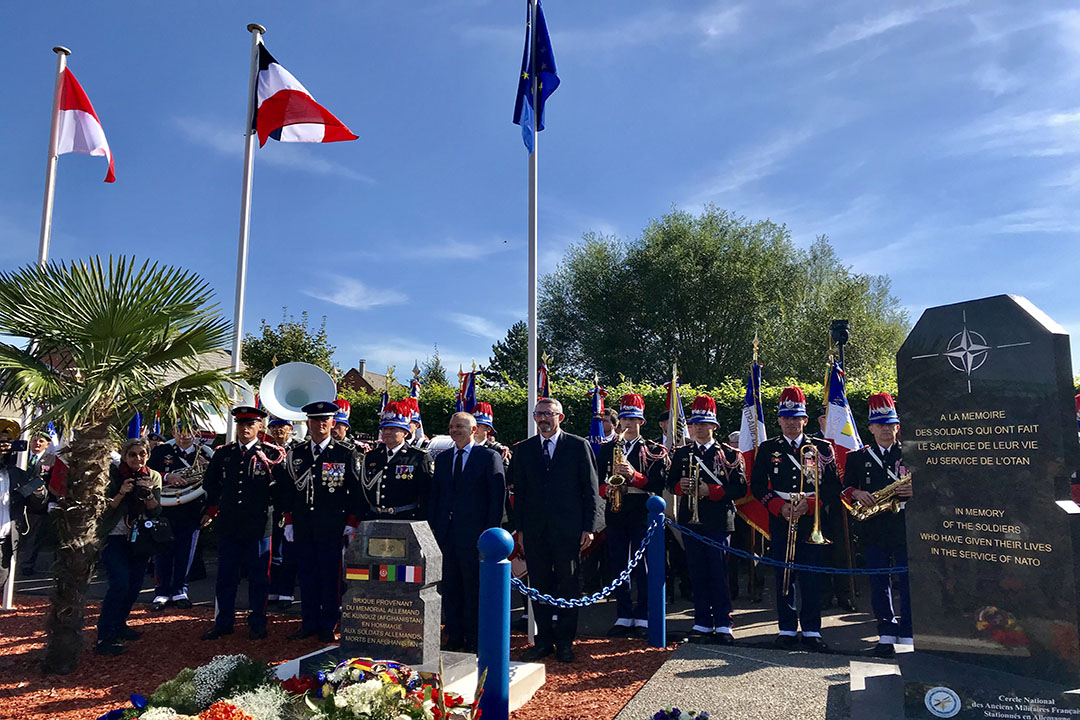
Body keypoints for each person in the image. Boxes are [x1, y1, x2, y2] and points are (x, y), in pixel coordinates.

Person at [511, 397, 602, 663]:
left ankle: (565, 642)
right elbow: (520, 493)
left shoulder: (578, 445)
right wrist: (520, 530)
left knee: (567, 585)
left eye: (548, 414)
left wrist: (589, 527)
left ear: (560, 417)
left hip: (569, 530)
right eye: (539, 414)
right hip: (535, 531)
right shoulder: (524, 449)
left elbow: (590, 490)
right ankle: (543, 641)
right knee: (538, 586)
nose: (543, 419)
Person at [751, 386, 839, 652]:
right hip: (781, 518)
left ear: (805, 420)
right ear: (779, 420)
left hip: (811, 520)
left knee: (811, 575)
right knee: (784, 574)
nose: (791, 423)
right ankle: (787, 628)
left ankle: (812, 629)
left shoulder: (821, 448)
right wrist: (779, 507)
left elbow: (833, 487)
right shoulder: (768, 448)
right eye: (786, 418)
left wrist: (810, 506)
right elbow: (757, 485)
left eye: (796, 418)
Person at [276, 400, 362, 642]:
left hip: (332, 526)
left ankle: (328, 624)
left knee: (329, 576)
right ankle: (308, 622)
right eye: (315, 420)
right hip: (304, 524)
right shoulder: (297, 454)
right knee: (307, 575)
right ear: (308, 423)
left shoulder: (345, 453)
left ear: (333, 423)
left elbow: (356, 490)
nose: (320, 424)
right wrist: (289, 520)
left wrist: (352, 521)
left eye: (325, 420)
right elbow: (287, 491)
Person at [666, 395, 747, 644]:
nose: (698, 428)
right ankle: (701, 622)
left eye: (703, 424)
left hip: (718, 522)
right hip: (690, 522)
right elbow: (669, 483)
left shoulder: (730, 455)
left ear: (714, 426)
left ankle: (723, 622)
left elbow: (740, 488)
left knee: (719, 573)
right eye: (695, 424)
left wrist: (710, 491)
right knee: (697, 573)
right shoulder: (681, 454)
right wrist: (680, 486)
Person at [200, 406, 285, 640]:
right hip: (230, 523)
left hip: (258, 524)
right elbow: (210, 484)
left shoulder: (271, 453)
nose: (245, 429)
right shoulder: (224, 453)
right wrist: (216, 506)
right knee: (226, 575)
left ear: (260, 427)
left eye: (250, 424)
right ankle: (223, 622)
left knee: (259, 577)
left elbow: (281, 489)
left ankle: (257, 622)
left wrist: (276, 511)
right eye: (241, 424)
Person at [842, 392, 913, 657]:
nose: (886, 429)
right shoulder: (857, 457)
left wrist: (915, 491)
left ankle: (908, 631)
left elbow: (934, 485)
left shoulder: (911, 453)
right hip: (874, 526)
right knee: (879, 582)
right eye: (880, 425)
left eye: (890, 424)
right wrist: (857, 494)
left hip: (905, 524)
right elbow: (844, 488)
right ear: (871, 428)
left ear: (897, 427)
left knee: (907, 581)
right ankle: (886, 631)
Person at [429, 412, 505, 652]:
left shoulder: (488, 457)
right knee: (450, 587)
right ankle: (454, 635)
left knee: (473, 588)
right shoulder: (443, 459)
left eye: (460, 426)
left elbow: (496, 498)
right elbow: (436, 497)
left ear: (473, 430)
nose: (454, 430)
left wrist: (490, 534)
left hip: (476, 536)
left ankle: (474, 638)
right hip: (447, 535)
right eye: (452, 426)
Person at [595, 394, 667, 638]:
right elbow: (597, 479)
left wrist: (634, 476)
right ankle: (623, 614)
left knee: (643, 565)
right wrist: (608, 489)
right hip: (615, 511)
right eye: (624, 419)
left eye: (633, 419)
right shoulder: (608, 449)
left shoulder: (653, 450)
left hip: (641, 511)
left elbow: (659, 482)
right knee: (618, 564)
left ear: (641, 422)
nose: (628, 423)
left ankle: (643, 614)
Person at [95, 438, 162, 655]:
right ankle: (105, 635)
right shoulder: (112, 476)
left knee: (134, 586)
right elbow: (102, 511)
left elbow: (156, 511)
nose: (137, 458)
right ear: (124, 456)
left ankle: (120, 624)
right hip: (115, 537)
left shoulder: (153, 476)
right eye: (132, 454)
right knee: (119, 584)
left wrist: (148, 494)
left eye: (142, 454)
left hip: (140, 538)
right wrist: (121, 492)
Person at [148, 423, 212, 611]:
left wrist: (211, 511)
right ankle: (161, 592)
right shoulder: (161, 452)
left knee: (186, 553)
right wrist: (167, 477)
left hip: (192, 510)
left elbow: (215, 483)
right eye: (180, 431)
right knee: (163, 552)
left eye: (189, 432)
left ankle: (180, 591)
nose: (185, 436)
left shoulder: (205, 454)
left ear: (196, 433)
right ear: (173, 432)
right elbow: (147, 473)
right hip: (165, 510)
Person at [361, 400, 433, 521]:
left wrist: (423, 523)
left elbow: (427, 495)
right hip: (374, 518)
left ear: (405, 433)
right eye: (384, 429)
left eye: (393, 429)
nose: (387, 432)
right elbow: (362, 492)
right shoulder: (371, 457)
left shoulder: (418, 457)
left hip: (405, 519)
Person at [265, 416, 297, 609]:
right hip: (273, 506)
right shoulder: (266, 450)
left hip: (294, 507)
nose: (278, 431)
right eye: (274, 427)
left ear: (290, 428)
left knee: (290, 552)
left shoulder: (299, 448)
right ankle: (274, 590)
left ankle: (287, 592)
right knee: (274, 552)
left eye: (282, 426)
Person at [18, 431, 55, 576]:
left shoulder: (52, 460)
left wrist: (52, 501)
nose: (37, 444)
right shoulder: (21, 456)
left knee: (33, 537)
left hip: (38, 504)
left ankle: (27, 565)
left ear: (48, 444)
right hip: (17, 502)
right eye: (34, 440)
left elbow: (54, 482)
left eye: (41, 441)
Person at [472, 402, 512, 467]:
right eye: (473, 426)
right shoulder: (464, 449)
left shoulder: (498, 450)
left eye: (478, 426)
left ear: (488, 429)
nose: (475, 429)